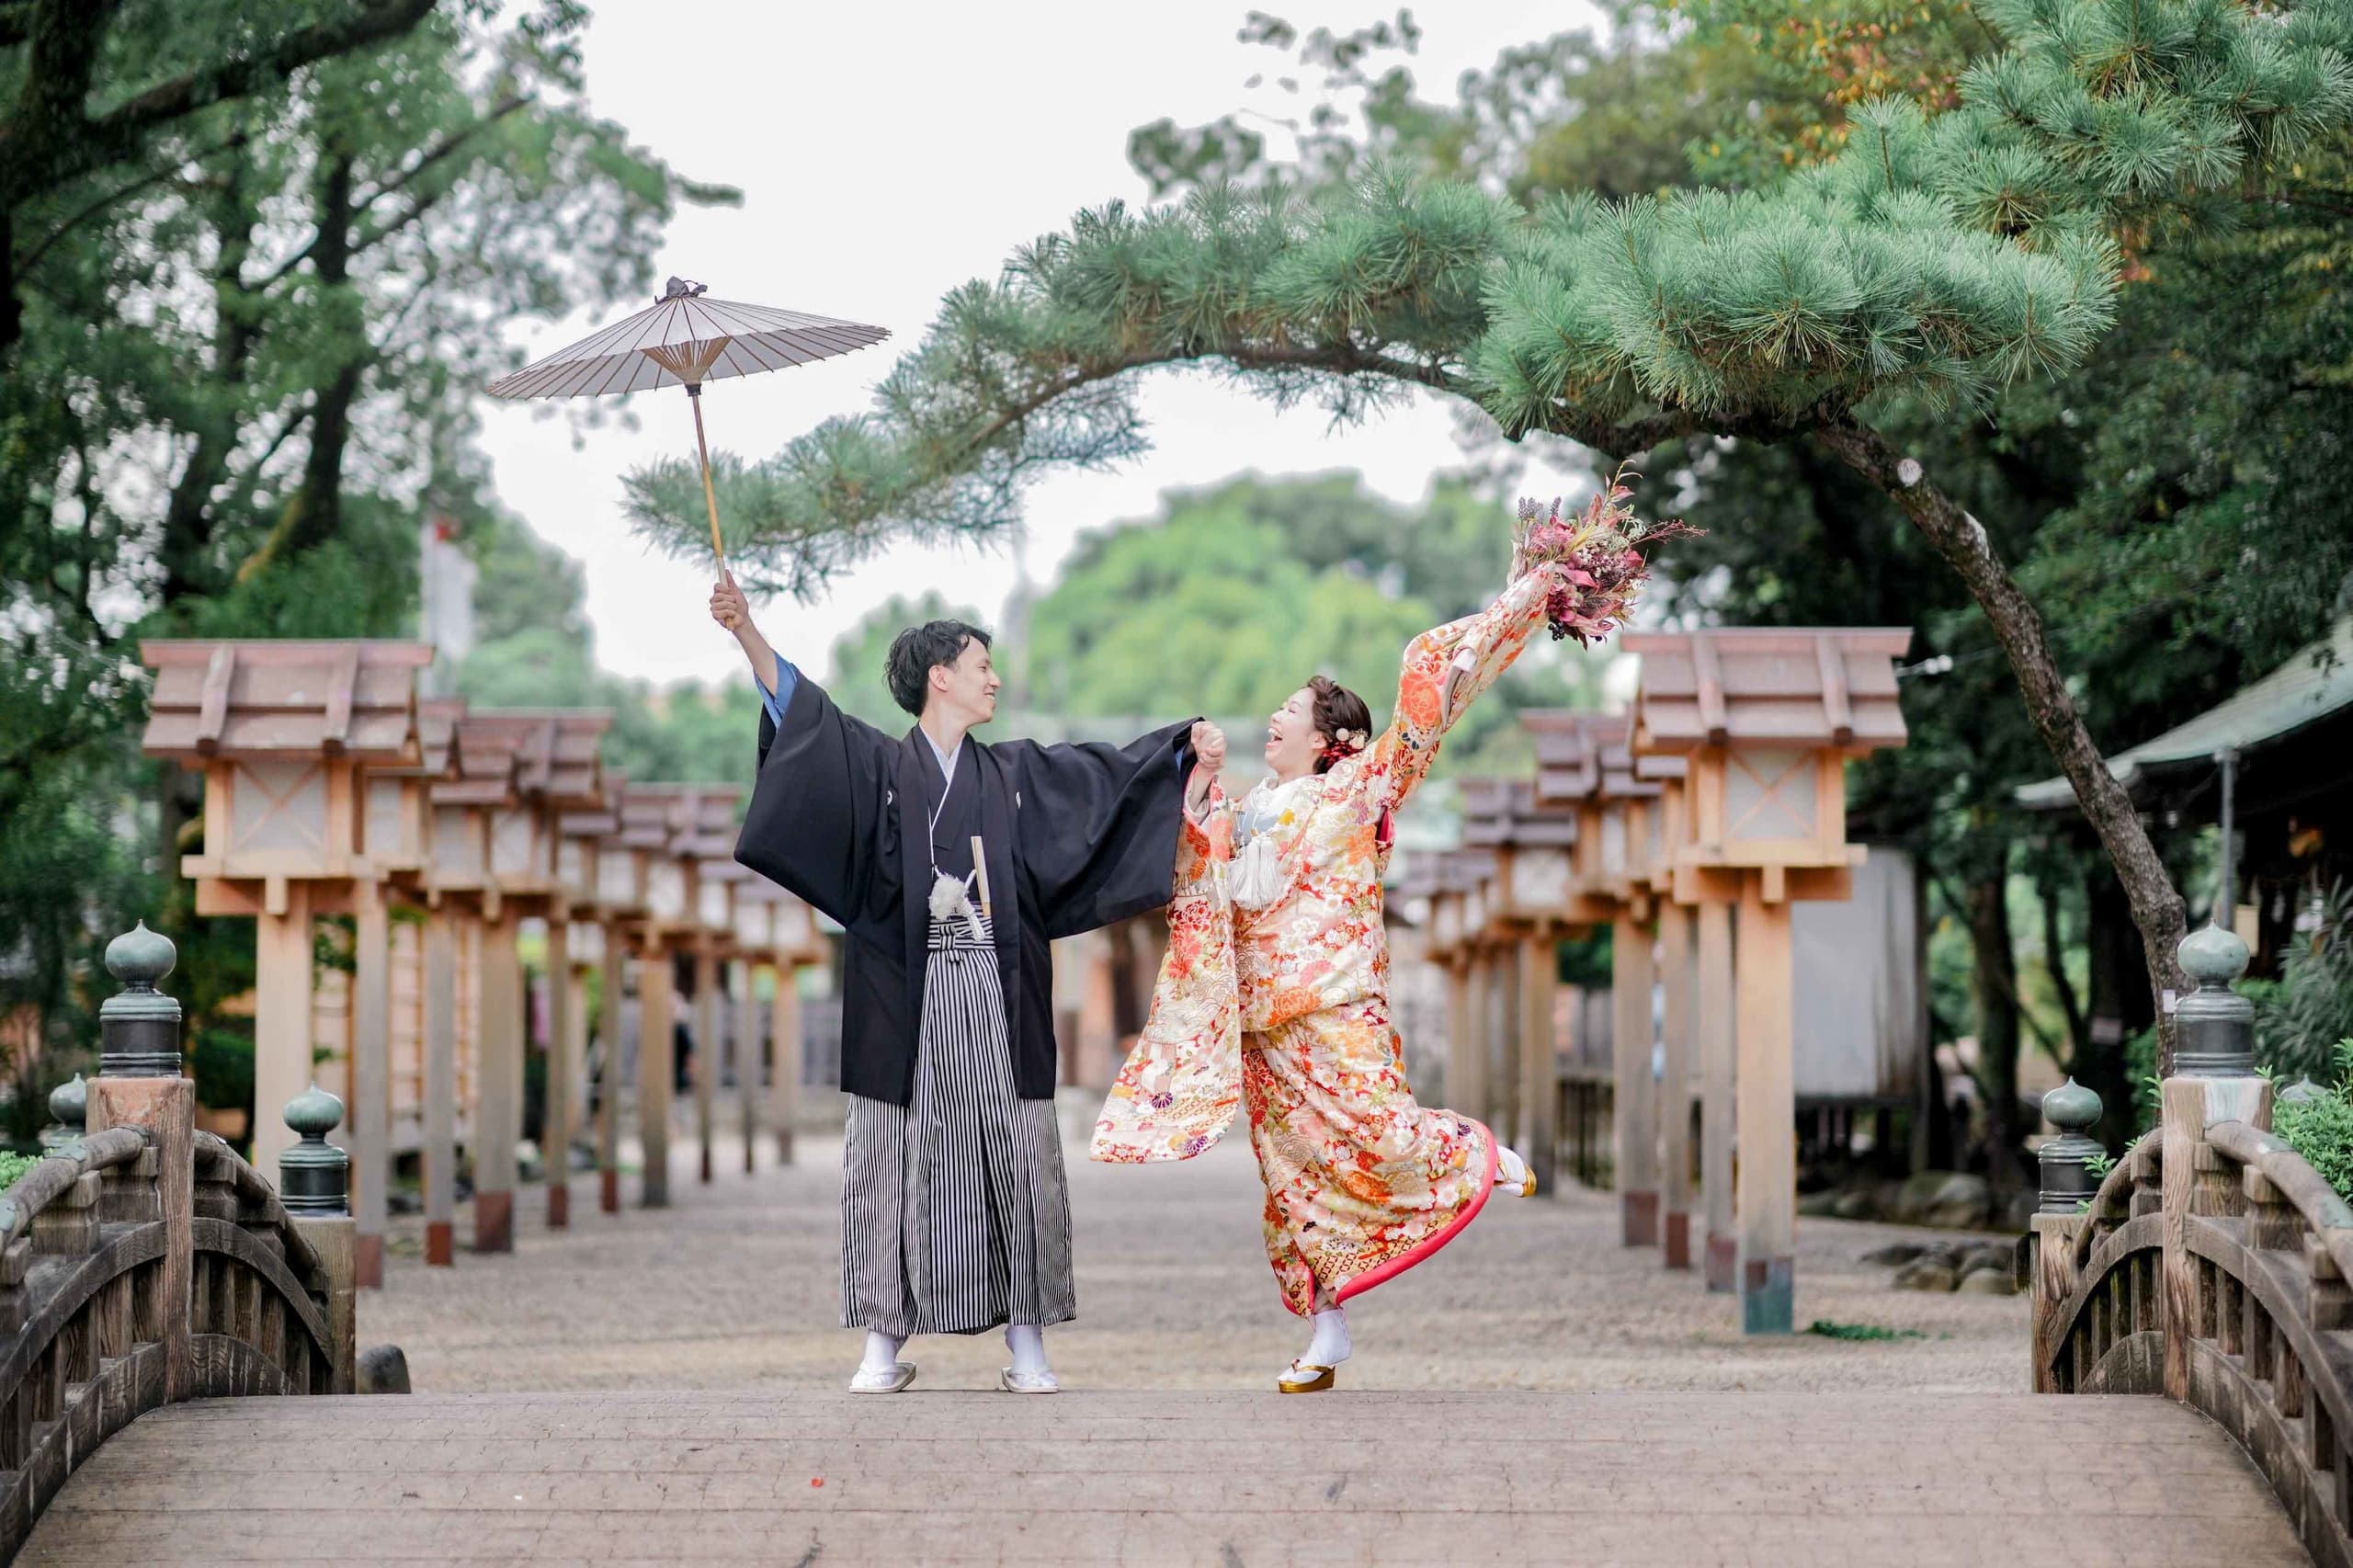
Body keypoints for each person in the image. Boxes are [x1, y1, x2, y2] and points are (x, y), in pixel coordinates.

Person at [711, 574, 1224, 1394]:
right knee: (892, 1157)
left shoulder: (1014, 774)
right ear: (938, 677)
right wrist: (746, 631)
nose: (993, 678)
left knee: (1016, 1154)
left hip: (996, 987)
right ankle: (881, 1345)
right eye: (980, 664)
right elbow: (802, 718)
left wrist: (1176, 753)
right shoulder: (879, 767)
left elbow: (1101, 784)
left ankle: (1027, 1343)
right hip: (902, 997)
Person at [1092, 557, 1564, 1392]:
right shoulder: (1243, 813)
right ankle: (1327, 1333)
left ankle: (1471, 1152)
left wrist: (1521, 600)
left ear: (1329, 740)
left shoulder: (1359, 788)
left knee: (1380, 1129)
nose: (1273, 720)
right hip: (1267, 1019)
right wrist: (1198, 781)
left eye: (1289, 713)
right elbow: (1199, 872)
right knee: (1290, 1179)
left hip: (1338, 998)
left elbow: (1436, 697)